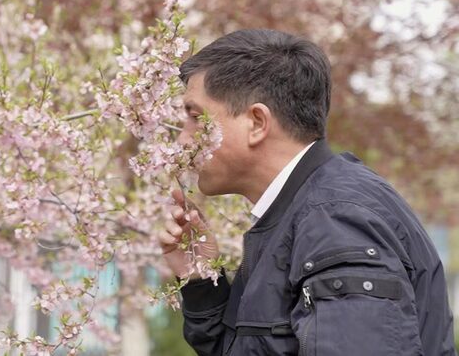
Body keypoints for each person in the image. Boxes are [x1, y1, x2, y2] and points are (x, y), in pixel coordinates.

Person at [158, 29, 455, 355]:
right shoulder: (304, 214)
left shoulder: (335, 221)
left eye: (196, 117)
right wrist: (202, 282)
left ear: (257, 122)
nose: (183, 139)